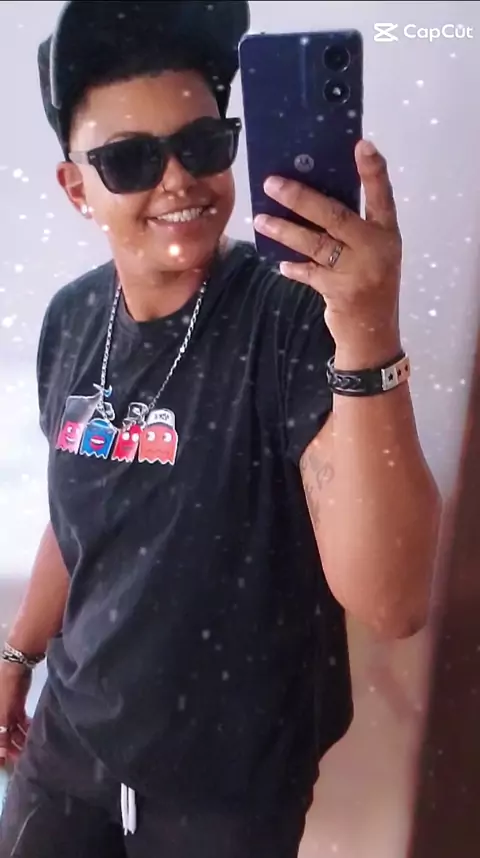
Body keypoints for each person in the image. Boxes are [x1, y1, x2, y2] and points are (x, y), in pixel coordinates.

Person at [0, 2, 441, 856]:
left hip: (229, 778)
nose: (177, 181)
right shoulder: (73, 318)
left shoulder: (296, 319)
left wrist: (367, 331)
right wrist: (19, 656)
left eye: (202, 144)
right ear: (77, 188)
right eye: (130, 159)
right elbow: (81, 507)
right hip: (75, 742)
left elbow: (392, 603)